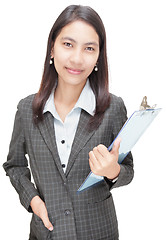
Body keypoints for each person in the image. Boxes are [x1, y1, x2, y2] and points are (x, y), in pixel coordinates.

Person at [3, 5, 134, 240]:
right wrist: (33, 200)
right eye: (68, 44)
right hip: (46, 233)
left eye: (89, 48)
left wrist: (112, 170)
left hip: (99, 232)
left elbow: (128, 170)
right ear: (51, 49)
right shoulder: (26, 109)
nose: (76, 58)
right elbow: (14, 166)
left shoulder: (113, 108)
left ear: (98, 57)